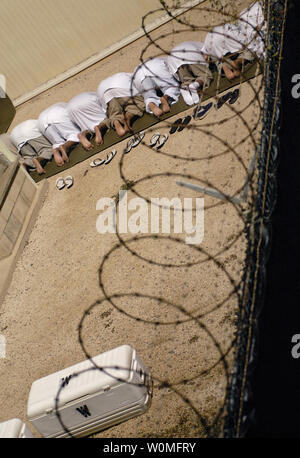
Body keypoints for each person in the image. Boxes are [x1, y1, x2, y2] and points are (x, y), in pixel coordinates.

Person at [201, 1, 265, 80]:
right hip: (229, 31)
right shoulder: (206, 42)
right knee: (247, 49)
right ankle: (238, 62)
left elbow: (226, 70)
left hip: (230, 36)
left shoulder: (211, 52)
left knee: (249, 51)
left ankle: (236, 65)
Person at [97, 72, 145, 136]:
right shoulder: (133, 76)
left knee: (114, 115)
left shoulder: (105, 81)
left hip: (106, 94)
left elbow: (104, 107)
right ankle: (127, 118)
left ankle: (113, 122)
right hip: (122, 88)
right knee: (134, 107)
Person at [166, 41, 213, 105]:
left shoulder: (194, 44)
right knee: (205, 75)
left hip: (173, 60)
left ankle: (185, 86)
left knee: (187, 80)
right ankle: (195, 85)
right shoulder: (205, 46)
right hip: (190, 55)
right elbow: (206, 56)